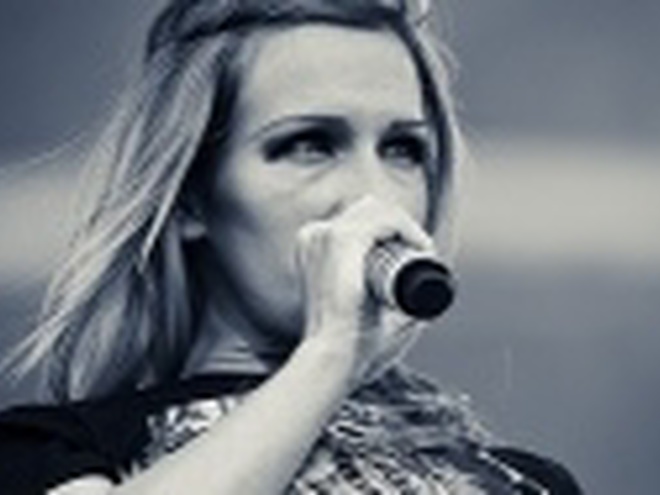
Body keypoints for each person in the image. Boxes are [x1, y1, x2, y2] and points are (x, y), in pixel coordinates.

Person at [0, 1, 582, 494]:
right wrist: (330, 353)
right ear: (189, 197)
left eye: (403, 148)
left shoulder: (522, 480)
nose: (375, 195)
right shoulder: (49, 452)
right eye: (310, 144)